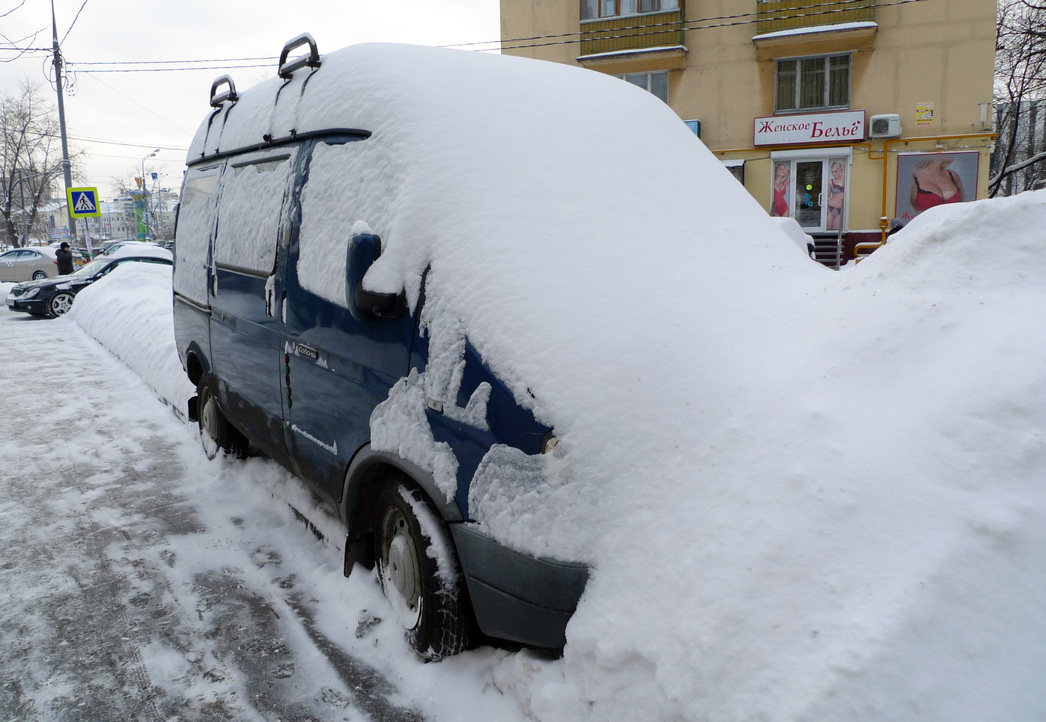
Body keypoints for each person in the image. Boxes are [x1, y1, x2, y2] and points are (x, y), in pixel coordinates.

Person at [826, 160, 845, 231]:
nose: (834, 174)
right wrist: (825, 206)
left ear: (841, 170)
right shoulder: (831, 181)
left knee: (835, 230)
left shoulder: (847, 180)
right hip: (831, 207)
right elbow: (827, 196)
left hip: (841, 209)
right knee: (828, 230)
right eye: (832, 172)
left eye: (835, 171)